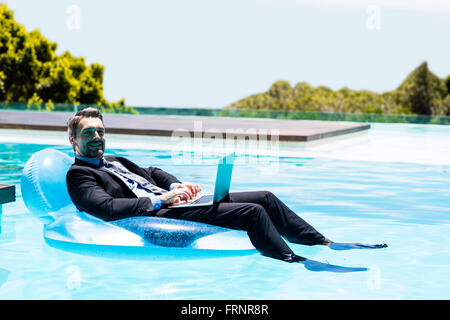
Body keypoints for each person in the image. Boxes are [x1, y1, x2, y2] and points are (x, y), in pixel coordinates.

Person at [66, 108, 386, 270]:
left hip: (173, 200)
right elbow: (105, 207)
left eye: (101, 131)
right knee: (252, 212)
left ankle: (325, 242)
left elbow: (152, 172)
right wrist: (160, 199)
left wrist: (176, 184)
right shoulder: (79, 175)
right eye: (89, 132)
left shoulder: (116, 160)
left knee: (265, 196)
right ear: (74, 140)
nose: (97, 137)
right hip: (160, 211)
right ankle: (295, 260)